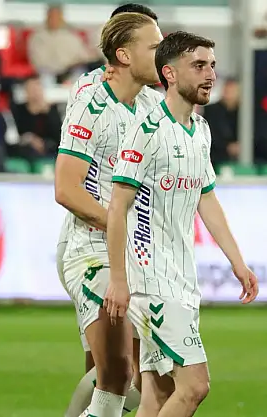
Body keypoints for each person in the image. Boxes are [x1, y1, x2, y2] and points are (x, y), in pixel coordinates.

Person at [106, 31, 259, 417]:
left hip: (182, 279)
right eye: (199, 66)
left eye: (212, 66)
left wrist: (237, 262)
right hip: (152, 283)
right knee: (194, 386)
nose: (210, 75)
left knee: (158, 394)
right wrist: (119, 280)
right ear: (170, 74)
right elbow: (117, 207)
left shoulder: (200, 131)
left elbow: (207, 199)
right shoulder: (146, 132)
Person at [56, 4, 164, 417]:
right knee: (121, 372)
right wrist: (121, 229)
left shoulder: (152, 106)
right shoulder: (90, 96)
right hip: (91, 248)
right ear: (123, 53)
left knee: (121, 375)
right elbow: (66, 188)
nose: (162, 53)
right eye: (154, 45)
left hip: (135, 256)